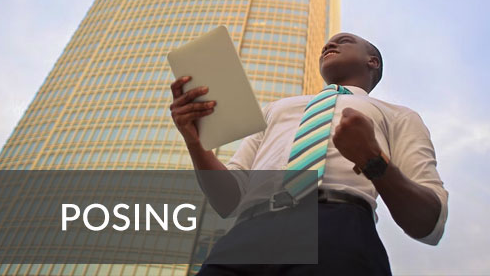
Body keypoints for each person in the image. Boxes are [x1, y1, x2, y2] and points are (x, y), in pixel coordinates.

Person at [169, 32, 448, 275]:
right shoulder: (276, 109)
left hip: (337, 228)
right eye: (326, 44)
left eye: (344, 41)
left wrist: (373, 160)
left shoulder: (398, 116)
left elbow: (428, 222)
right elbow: (228, 200)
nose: (329, 45)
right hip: (246, 235)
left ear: (372, 61)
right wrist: (195, 142)